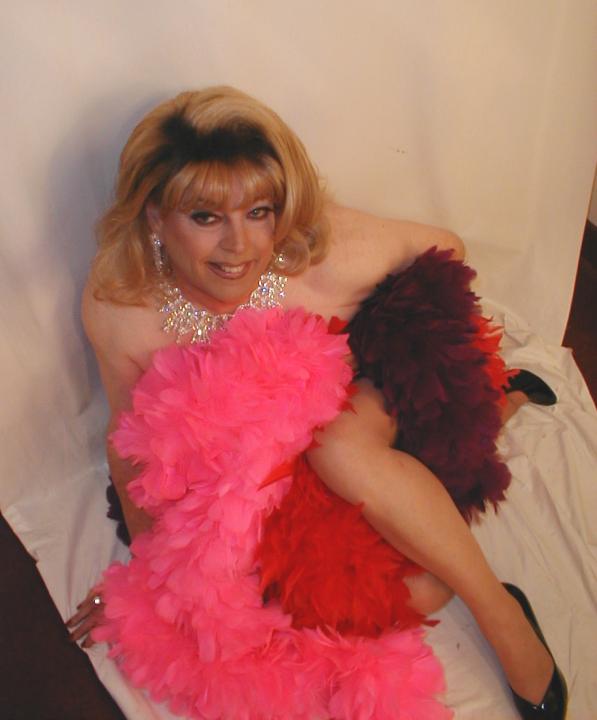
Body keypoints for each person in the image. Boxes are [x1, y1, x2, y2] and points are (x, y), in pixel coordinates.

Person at [67, 86, 565, 719]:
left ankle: (502, 614)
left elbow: (448, 250)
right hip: (268, 458)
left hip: (362, 390)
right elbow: (129, 441)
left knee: (339, 446)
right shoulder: (120, 306)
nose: (239, 245)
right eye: (206, 217)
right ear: (155, 217)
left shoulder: (322, 254)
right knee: (410, 593)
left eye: (259, 211)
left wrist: (351, 356)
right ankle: (499, 411)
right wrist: (152, 578)